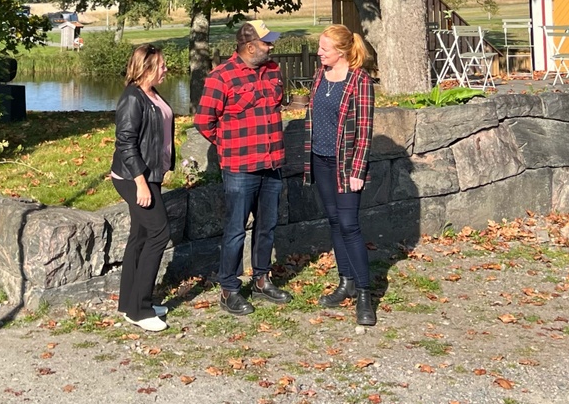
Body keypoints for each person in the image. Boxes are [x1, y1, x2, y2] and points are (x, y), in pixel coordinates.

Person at [194, 20, 293, 315]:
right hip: (240, 167)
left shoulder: (273, 70)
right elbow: (203, 122)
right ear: (250, 46)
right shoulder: (220, 77)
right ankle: (229, 289)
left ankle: (262, 279)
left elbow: (277, 105)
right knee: (236, 229)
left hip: (272, 162)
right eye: (267, 42)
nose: (271, 46)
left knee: (268, 225)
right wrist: (228, 145)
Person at [304, 24, 376, 326]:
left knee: (349, 224)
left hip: (346, 164)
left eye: (324, 48)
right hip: (320, 159)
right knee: (334, 221)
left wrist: (358, 169)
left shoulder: (360, 81)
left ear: (343, 51)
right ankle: (345, 281)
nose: (319, 53)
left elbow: (364, 130)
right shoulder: (320, 76)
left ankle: (364, 294)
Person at [110, 44, 175, 332]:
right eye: (161, 65)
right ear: (146, 68)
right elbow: (125, 143)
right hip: (132, 178)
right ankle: (141, 309)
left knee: (140, 235)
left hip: (150, 175)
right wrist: (141, 183)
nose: (165, 69)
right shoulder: (132, 98)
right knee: (160, 234)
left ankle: (129, 303)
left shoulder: (151, 94)